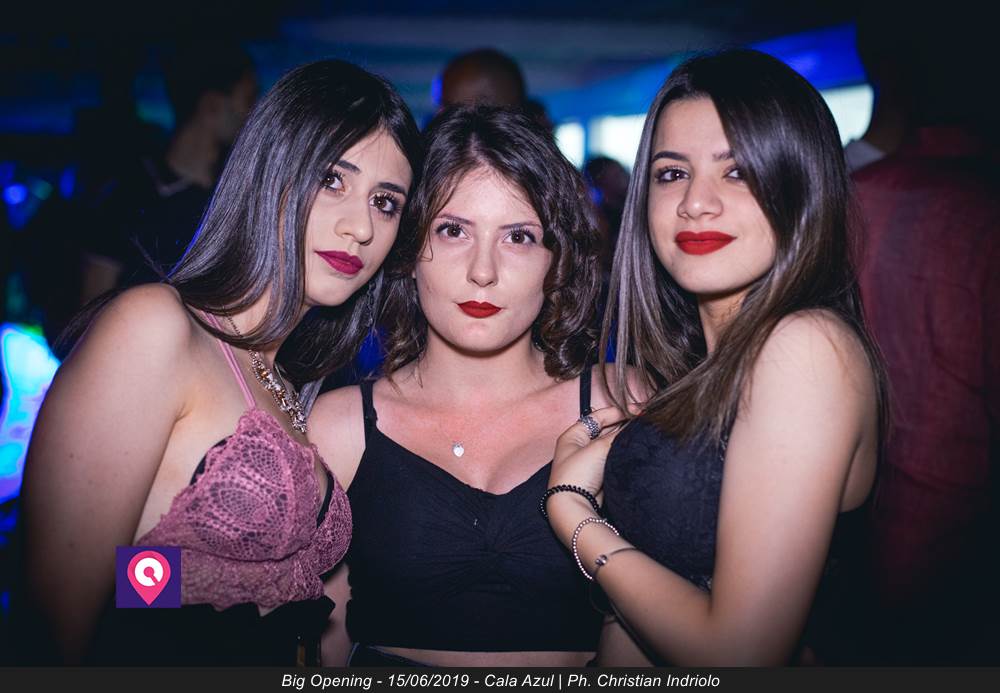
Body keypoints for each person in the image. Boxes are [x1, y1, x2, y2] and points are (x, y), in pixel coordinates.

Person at [17, 59, 421, 665]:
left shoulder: (290, 381)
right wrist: (200, 590)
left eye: (385, 203)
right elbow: (59, 612)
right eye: (332, 180)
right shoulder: (156, 328)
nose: (360, 227)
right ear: (270, 173)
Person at [544, 49, 885, 666]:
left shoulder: (805, 346)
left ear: (800, 188)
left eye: (738, 172)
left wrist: (573, 514)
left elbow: (742, 652)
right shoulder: (706, 361)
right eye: (672, 173)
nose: (695, 203)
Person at [309, 105, 607, 667]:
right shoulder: (338, 425)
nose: (483, 271)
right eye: (452, 231)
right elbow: (320, 634)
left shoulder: (619, 406)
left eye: (518, 237)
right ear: (407, 252)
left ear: (556, 261)